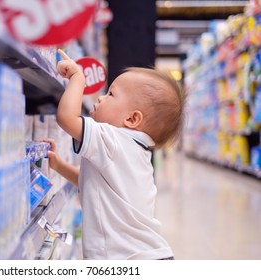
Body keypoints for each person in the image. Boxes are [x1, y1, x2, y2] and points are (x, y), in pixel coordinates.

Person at [44, 49, 185, 260]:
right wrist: (60, 166)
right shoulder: (134, 151)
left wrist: (77, 78)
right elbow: (92, 185)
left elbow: (66, 117)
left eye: (111, 94)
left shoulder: (114, 139)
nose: (101, 98)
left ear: (132, 119)